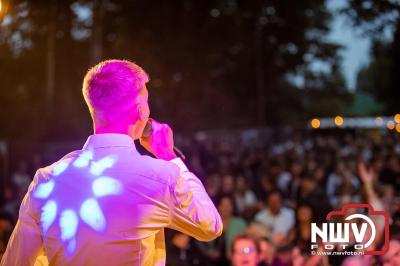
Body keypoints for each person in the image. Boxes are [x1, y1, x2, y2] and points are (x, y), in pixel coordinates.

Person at [1, 60, 223, 266]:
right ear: (139, 111)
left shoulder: (46, 180)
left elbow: (15, 262)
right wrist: (168, 155)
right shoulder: (161, 177)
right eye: (146, 100)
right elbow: (211, 226)